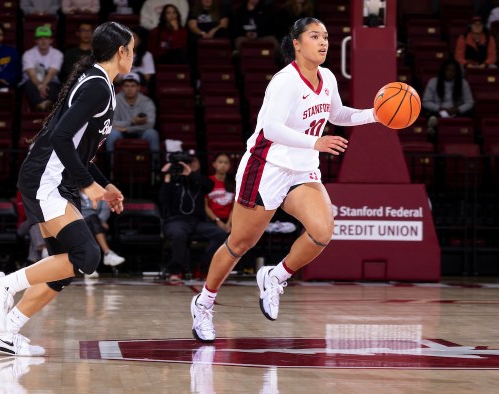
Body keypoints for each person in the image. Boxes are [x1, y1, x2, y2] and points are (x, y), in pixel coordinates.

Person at [189, 17, 377, 342]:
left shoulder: (327, 77)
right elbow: (271, 129)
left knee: (323, 230)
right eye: (315, 36)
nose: (323, 42)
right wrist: (315, 142)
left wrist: (375, 114)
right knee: (239, 244)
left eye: (326, 37)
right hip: (267, 166)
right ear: (296, 43)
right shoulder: (284, 81)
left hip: (302, 169)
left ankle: (276, 276)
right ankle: (204, 303)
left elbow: (337, 114)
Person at [0, 21, 133, 356]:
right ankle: (1, 284)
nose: (133, 56)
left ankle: (4, 333)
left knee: (65, 268)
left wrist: (103, 184)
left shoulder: (99, 82)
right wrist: (89, 185)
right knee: (87, 256)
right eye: (132, 49)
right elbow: (61, 138)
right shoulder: (96, 85)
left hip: (57, 178)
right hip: (45, 178)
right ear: (121, 52)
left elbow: (76, 148)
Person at [159, 151, 227, 281]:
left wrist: (190, 174)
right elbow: (163, 200)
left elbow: (210, 185)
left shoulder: (199, 180)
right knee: (178, 233)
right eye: (189, 162)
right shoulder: (172, 180)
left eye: (194, 161)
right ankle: (176, 270)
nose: (191, 164)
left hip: (198, 222)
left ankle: (202, 267)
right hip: (176, 220)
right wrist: (167, 178)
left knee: (220, 234)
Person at [106, 72, 159, 155]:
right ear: (122, 88)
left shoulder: (147, 102)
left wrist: (128, 129)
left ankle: (155, 166)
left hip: (141, 132)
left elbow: (150, 124)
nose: (130, 89)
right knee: (112, 134)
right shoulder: (114, 100)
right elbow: (110, 122)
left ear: (138, 87)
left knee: (152, 133)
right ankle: (110, 165)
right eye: (126, 86)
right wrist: (132, 122)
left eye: (133, 86)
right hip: (120, 132)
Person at [421, 59, 475, 135]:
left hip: (456, 113)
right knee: (432, 115)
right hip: (439, 111)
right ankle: (433, 127)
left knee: (467, 115)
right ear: (443, 70)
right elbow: (426, 102)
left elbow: (469, 102)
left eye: (453, 71)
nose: (450, 73)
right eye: (448, 70)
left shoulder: (463, 83)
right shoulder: (433, 82)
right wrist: (439, 108)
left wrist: (458, 109)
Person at [79, 192, 125, 278]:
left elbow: (105, 211)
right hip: (79, 223)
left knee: (92, 220)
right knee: (91, 220)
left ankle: (89, 267)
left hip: (96, 223)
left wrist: (99, 221)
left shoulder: (99, 192)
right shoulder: (73, 193)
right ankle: (107, 253)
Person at [20, 25, 64, 112]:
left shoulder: (57, 54)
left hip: (50, 82)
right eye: (40, 38)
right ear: (36, 40)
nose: (43, 41)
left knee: (54, 85)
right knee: (28, 84)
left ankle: (42, 106)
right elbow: (31, 74)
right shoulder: (28, 54)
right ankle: (44, 105)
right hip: (33, 83)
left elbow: (51, 73)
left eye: (46, 38)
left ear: (51, 40)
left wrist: (43, 85)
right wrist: (40, 86)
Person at [204, 152, 234, 233]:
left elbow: (234, 207)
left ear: (229, 166)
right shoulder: (208, 181)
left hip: (230, 220)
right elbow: (205, 206)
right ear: (214, 164)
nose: (223, 165)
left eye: (226, 163)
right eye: (220, 162)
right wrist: (217, 221)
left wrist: (229, 223)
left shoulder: (233, 183)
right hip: (212, 220)